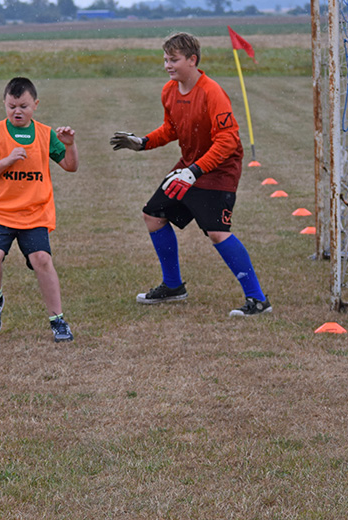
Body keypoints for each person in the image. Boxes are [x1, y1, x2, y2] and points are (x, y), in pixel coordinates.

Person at [109, 32, 271, 317]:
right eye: (165, 59)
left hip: (219, 169)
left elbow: (228, 140)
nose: (167, 65)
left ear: (192, 60)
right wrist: (143, 142)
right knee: (153, 214)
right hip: (190, 166)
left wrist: (194, 171)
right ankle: (173, 287)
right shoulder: (169, 91)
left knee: (217, 232)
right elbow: (171, 129)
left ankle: (258, 300)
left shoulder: (212, 92)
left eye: (174, 59)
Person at [0, 77, 79, 342]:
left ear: (35, 104)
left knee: (42, 260)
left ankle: (57, 319)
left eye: (23, 106)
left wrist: (69, 145)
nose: (17, 111)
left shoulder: (45, 134)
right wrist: (8, 160)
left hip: (35, 212)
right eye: (11, 106)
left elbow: (70, 166)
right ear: (4, 105)